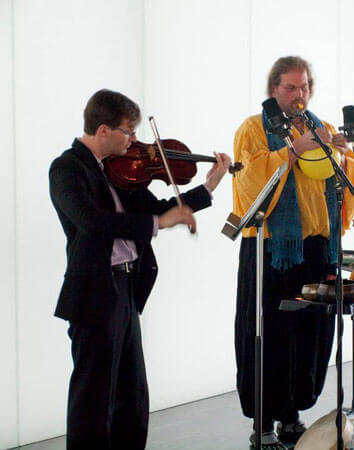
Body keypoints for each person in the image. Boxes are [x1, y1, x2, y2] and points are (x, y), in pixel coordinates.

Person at [49, 89, 231, 450]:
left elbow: (160, 207)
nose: (135, 141)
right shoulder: (67, 168)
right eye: (128, 132)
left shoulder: (119, 173)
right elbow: (92, 221)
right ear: (104, 130)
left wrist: (208, 187)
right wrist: (159, 224)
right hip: (95, 292)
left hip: (127, 288)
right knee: (93, 397)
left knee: (132, 397)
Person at [232, 56, 354, 447]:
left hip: (316, 249)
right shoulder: (253, 129)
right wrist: (292, 151)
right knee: (269, 336)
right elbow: (250, 183)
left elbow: (352, 184)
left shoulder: (320, 126)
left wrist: (342, 154)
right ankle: (262, 424)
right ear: (273, 88)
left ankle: (292, 416)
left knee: (309, 335)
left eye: (305, 87)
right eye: (291, 87)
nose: (299, 95)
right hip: (273, 248)